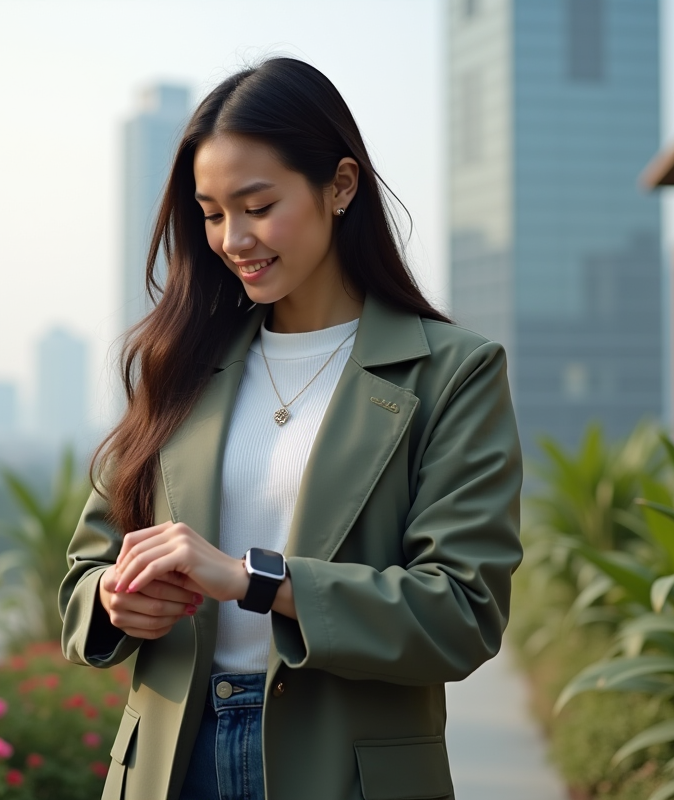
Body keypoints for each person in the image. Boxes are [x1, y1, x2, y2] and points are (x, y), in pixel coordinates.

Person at [59, 57, 522, 800]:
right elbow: (85, 575)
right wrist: (115, 601)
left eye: (257, 205)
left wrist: (251, 581)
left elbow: (461, 613)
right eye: (211, 213)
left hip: (346, 770)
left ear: (340, 186)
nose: (232, 238)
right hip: (171, 767)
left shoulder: (452, 373)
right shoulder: (178, 366)